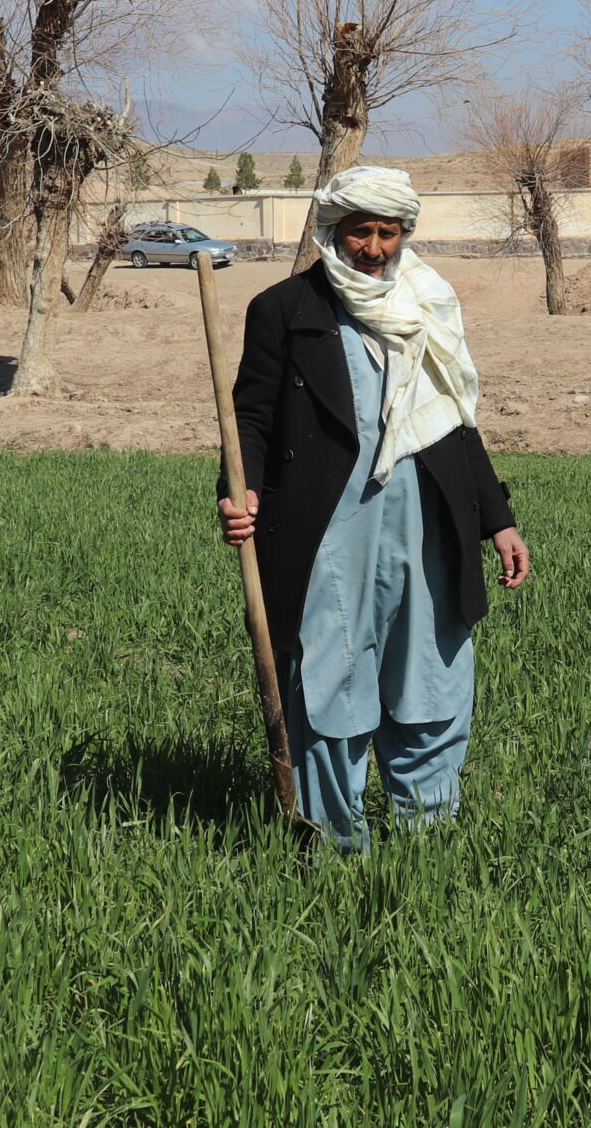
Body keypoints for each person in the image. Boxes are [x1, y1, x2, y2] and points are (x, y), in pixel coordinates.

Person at [217, 165, 530, 851]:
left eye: (388, 232)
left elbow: (456, 420)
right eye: (362, 230)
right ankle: (332, 843)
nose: (376, 247)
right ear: (334, 232)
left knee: (430, 674)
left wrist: (496, 517)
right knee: (333, 676)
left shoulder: (428, 303)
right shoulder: (283, 310)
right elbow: (252, 419)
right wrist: (238, 489)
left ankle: (427, 843)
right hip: (329, 527)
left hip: (427, 526)